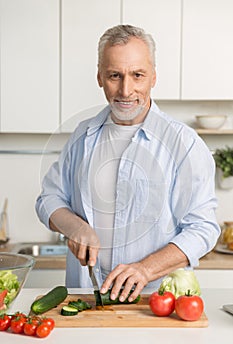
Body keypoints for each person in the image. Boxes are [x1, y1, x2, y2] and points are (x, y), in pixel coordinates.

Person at [36, 24, 220, 302]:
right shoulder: (82, 136)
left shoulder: (184, 143)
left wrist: (145, 270)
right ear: (100, 77)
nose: (126, 89)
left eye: (137, 75)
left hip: (154, 302)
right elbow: (48, 199)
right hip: (85, 297)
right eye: (114, 75)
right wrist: (74, 226)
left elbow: (204, 229)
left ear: (153, 77)